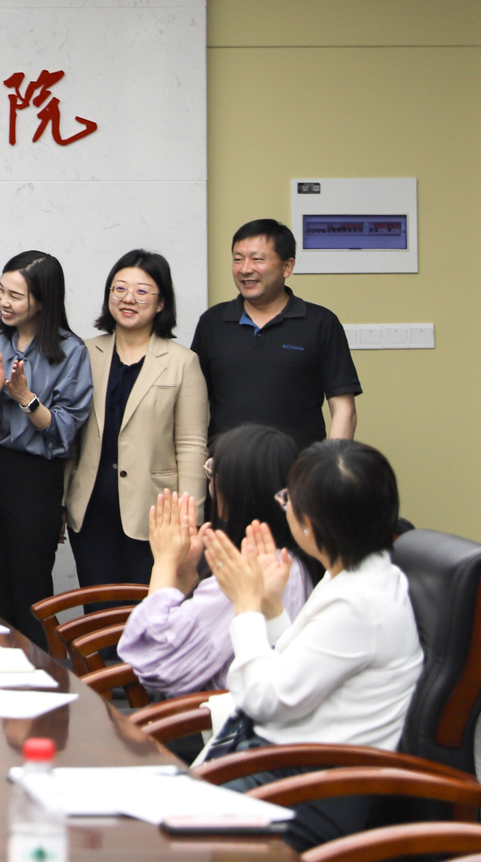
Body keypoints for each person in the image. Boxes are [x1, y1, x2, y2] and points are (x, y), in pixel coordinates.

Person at [201, 440, 423, 851]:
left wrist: (245, 608)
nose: (284, 505)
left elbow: (264, 699)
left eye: (289, 500)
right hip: (293, 763)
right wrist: (270, 607)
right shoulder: (360, 576)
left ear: (311, 527)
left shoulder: (359, 605)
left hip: (310, 791)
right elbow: (300, 671)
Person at [118, 424, 317, 700]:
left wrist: (164, 562)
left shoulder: (246, 573)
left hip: (213, 718)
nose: (209, 482)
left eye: (213, 472)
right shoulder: (291, 561)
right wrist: (183, 576)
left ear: (235, 490)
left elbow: (156, 663)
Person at [0, 251, 92, 647]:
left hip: (36, 479)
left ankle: (38, 674)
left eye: (16, 296)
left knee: (31, 592)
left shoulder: (71, 350)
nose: (3, 301)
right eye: (1, 290)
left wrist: (26, 399)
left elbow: (65, 432)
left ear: (43, 301)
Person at [66, 249, 208, 588]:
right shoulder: (83, 352)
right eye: (120, 289)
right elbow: (68, 434)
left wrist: (191, 519)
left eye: (142, 291)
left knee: (150, 607)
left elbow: (191, 444)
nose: (128, 298)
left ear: (161, 303)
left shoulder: (182, 362)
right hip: (90, 510)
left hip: (155, 513)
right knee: (98, 609)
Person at [191, 218, 361, 447]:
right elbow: (192, 403)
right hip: (226, 465)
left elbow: (344, 409)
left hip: (299, 466)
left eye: (257, 259)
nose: (245, 269)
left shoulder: (321, 323)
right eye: (238, 259)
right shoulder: (212, 322)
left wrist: (327, 464)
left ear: (287, 267)